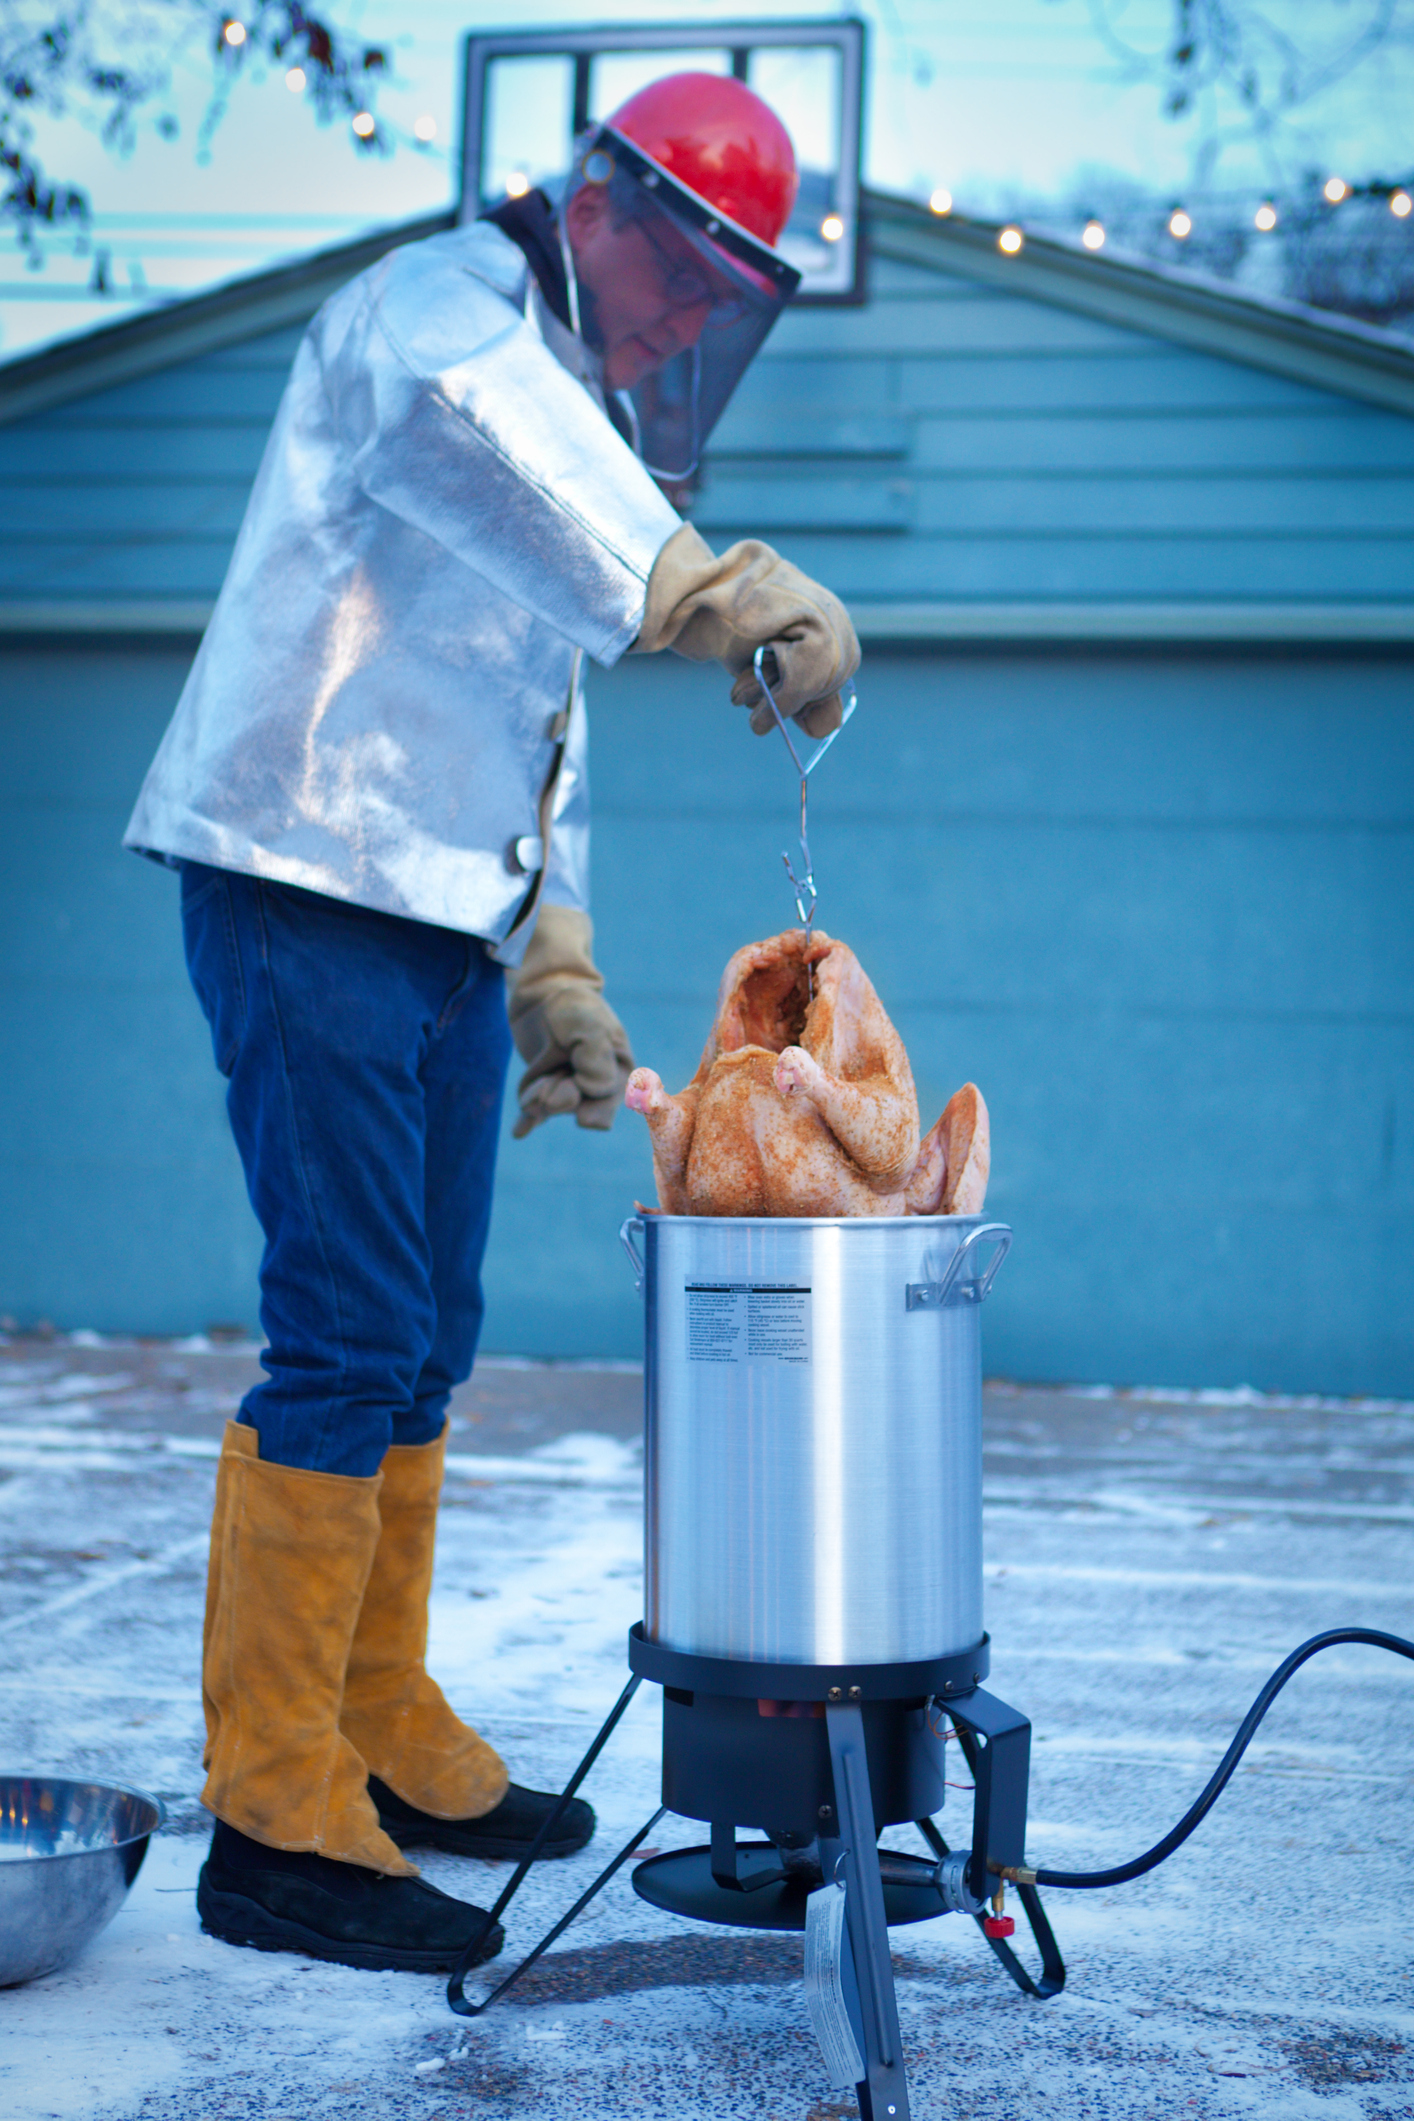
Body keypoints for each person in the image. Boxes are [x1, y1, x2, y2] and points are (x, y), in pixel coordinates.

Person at [123, 71, 860, 1975]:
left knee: (425, 1338)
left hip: (441, 918)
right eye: (695, 271)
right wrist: (710, 581)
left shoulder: (579, 436)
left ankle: (374, 1725)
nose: (701, 321)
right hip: (303, 882)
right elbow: (516, 450)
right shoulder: (443, 311)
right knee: (347, 1328)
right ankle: (274, 1812)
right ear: (600, 204)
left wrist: (559, 960)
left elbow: (542, 711)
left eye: (733, 299)